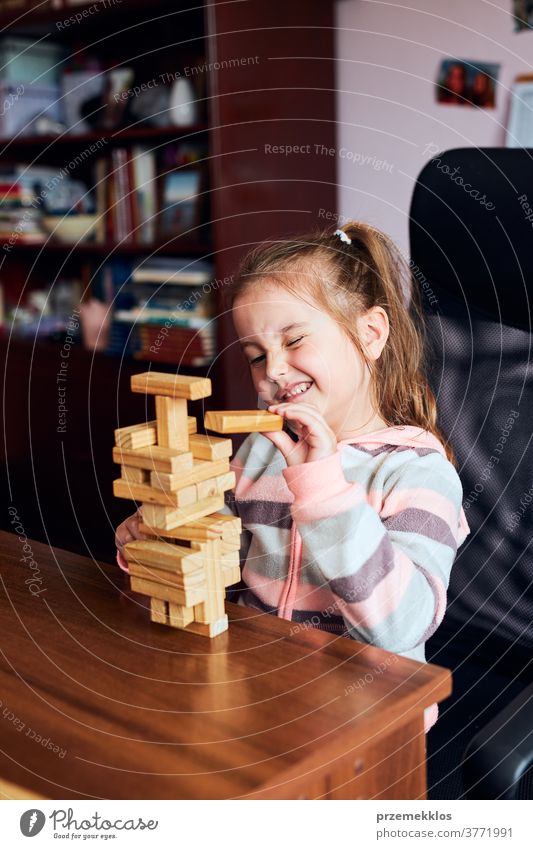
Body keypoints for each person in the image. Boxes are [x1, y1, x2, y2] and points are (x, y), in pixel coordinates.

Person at [115, 221, 470, 733]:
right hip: (259, 691)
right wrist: (163, 540)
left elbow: (402, 625)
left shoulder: (418, 474)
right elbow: (221, 558)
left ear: (370, 334)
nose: (273, 370)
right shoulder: (262, 450)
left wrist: (325, 490)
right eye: (257, 356)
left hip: (367, 721)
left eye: (295, 339)